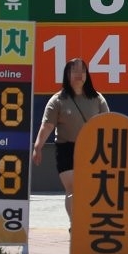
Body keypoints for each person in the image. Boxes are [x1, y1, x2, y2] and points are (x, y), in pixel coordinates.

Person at [32, 58, 110, 222]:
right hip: (66, 149)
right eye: (74, 71)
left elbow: (107, 125)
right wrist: (38, 147)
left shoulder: (97, 99)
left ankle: (90, 222)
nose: (79, 74)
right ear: (67, 75)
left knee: (92, 188)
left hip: (94, 150)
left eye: (82, 71)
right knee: (73, 188)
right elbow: (47, 126)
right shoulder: (57, 100)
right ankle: (75, 225)